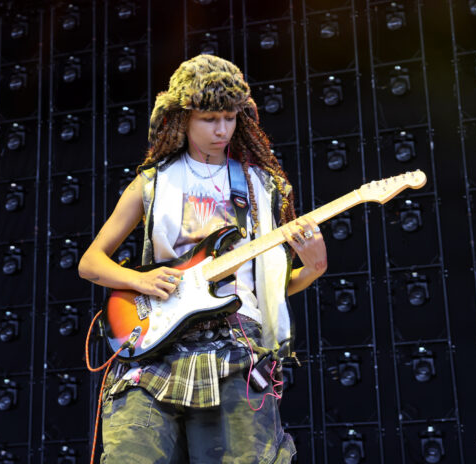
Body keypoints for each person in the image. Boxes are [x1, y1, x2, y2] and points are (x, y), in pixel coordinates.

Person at [78, 53, 327, 463]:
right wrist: (140, 280)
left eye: (230, 118)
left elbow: (270, 287)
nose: (222, 130)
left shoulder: (261, 186)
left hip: (236, 347)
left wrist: (314, 268)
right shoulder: (153, 182)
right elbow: (91, 263)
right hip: (156, 344)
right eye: (210, 119)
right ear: (183, 118)